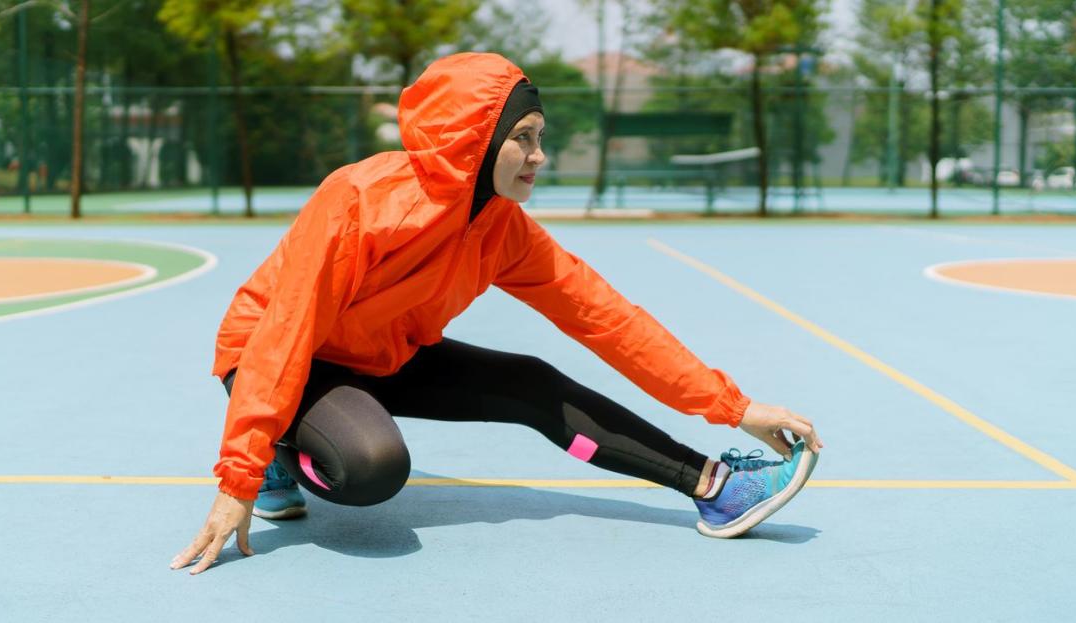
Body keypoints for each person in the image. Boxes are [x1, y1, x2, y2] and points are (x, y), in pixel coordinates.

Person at [171, 52, 823, 575]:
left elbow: (609, 320)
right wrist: (238, 476)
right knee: (372, 466)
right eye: (523, 138)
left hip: (383, 352)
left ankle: (714, 486)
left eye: (541, 137)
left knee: (530, 381)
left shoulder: (502, 228)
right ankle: (282, 453)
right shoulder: (358, 199)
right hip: (282, 352)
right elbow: (286, 332)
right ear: (474, 142)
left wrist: (732, 406)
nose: (540, 155)